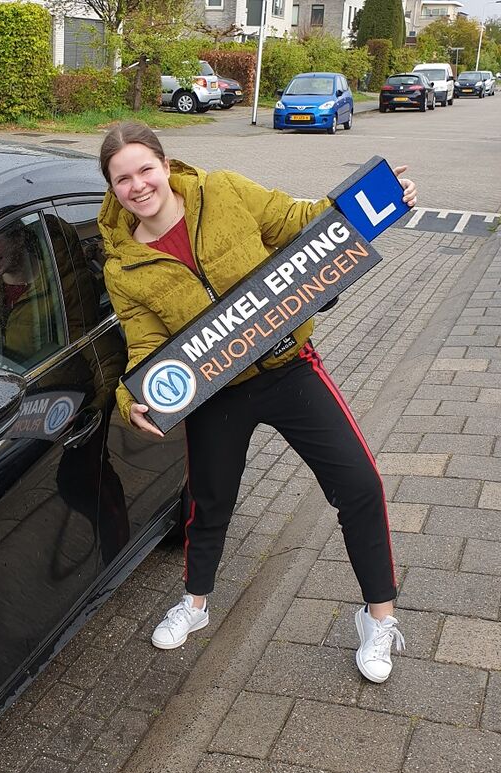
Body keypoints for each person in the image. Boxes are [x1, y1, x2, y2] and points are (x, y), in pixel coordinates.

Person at [97, 121, 417, 683]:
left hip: (288, 368)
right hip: (217, 392)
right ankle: (194, 605)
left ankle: (378, 619)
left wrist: (380, 202)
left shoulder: (222, 191)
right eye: (122, 179)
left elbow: (300, 223)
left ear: (166, 166)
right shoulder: (124, 267)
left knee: (360, 484)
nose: (137, 185)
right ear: (112, 188)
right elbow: (144, 344)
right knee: (208, 503)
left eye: (145, 169)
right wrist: (132, 397)